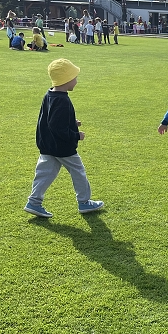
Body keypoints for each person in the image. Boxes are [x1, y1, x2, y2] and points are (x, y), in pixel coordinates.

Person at [23, 58, 105, 218]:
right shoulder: (62, 100)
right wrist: (76, 135)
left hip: (48, 145)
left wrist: (72, 122)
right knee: (78, 171)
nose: (76, 81)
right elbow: (57, 126)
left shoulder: (50, 95)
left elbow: (50, 119)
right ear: (66, 79)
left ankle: (33, 201)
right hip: (62, 147)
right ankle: (84, 201)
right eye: (74, 77)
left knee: (44, 173)